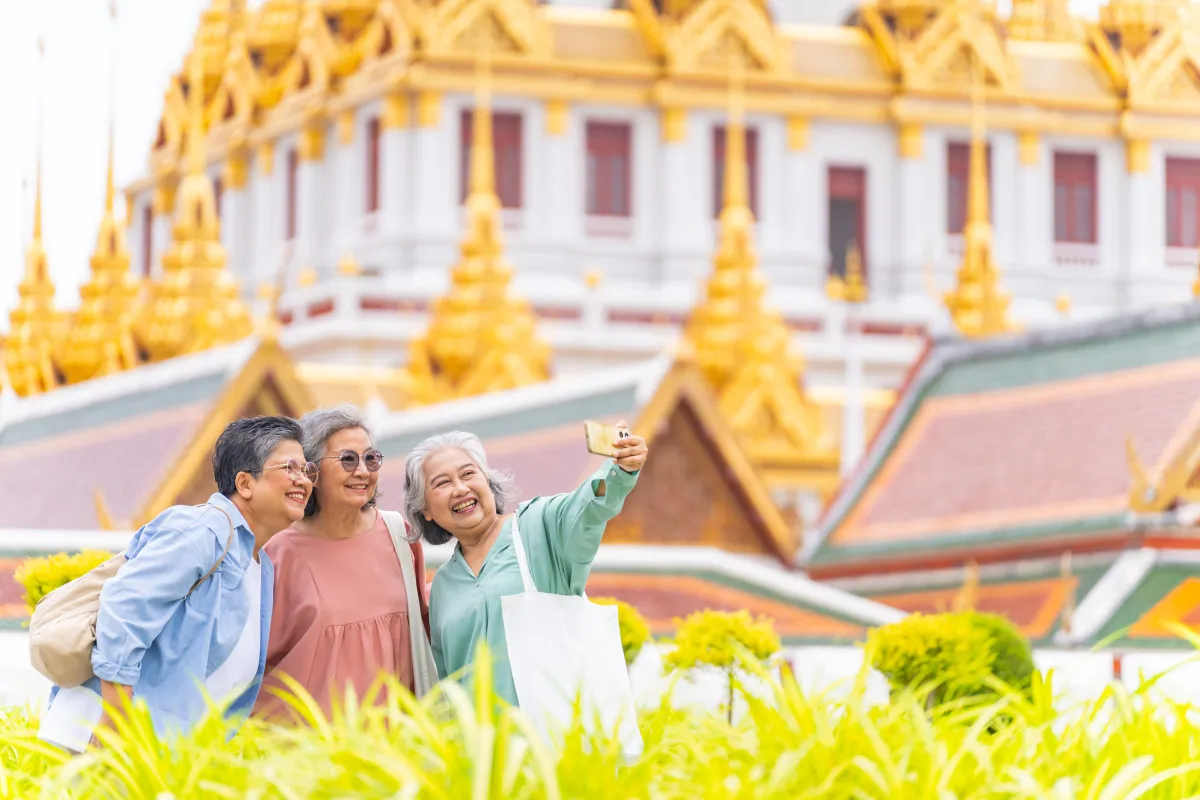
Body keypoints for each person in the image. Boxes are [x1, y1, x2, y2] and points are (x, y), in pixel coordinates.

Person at [38, 416, 315, 752]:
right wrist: (115, 726)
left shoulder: (261, 565)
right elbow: (125, 607)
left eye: (307, 471)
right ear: (245, 483)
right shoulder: (204, 529)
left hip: (155, 753)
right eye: (290, 468)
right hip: (101, 740)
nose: (303, 480)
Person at [406, 422, 647, 705]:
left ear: (488, 482)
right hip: (480, 746)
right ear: (426, 510)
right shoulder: (441, 589)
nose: (460, 488)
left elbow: (589, 504)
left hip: (555, 741)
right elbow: (447, 685)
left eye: (468, 474)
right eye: (442, 483)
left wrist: (621, 468)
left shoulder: (539, 527)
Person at [253, 405, 432, 722]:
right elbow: (254, 661)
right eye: (348, 459)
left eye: (371, 458)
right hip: (316, 751)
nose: (363, 471)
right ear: (312, 472)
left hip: (399, 751)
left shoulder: (399, 535)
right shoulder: (279, 552)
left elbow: (426, 627)